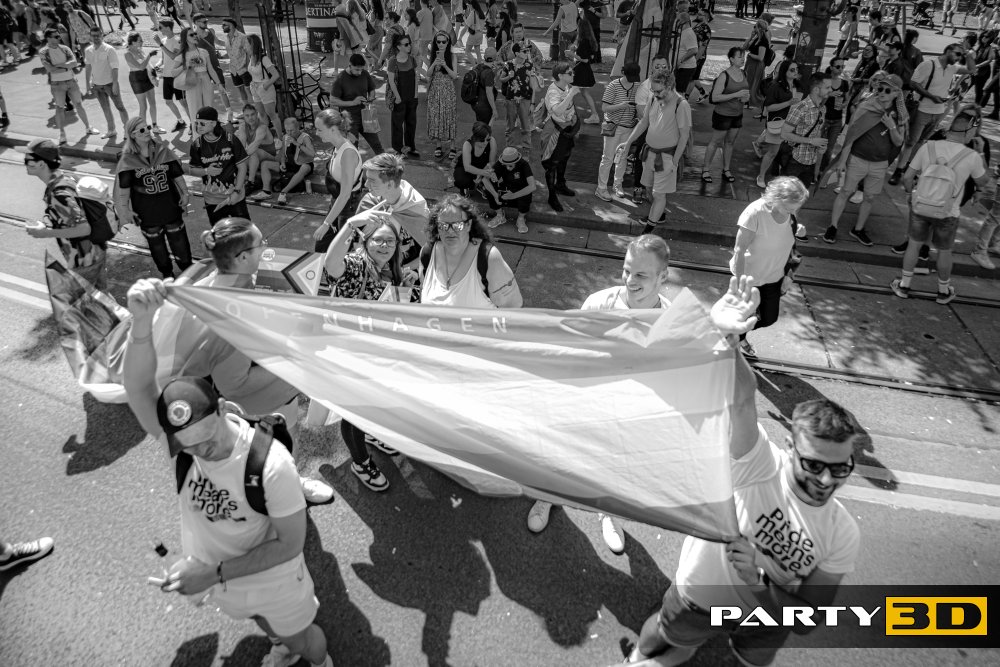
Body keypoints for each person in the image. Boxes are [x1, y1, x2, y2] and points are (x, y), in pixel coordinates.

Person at [625, 293, 865, 663]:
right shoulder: (760, 464)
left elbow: (808, 619)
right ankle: (637, 658)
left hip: (767, 620)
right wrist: (729, 340)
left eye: (840, 468)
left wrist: (758, 582)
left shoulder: (843, 532)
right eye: (813, 465)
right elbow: (741, 400)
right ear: (791, 446)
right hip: (701, 599)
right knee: (663, 636)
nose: (826, 480)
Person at [122, 308, 334, 667]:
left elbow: (290, 545)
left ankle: (318, 660)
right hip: (225, 582)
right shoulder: (182, 448)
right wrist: (141, 323)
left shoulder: (271, 464)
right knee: (264, 623)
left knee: (304, 639)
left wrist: (211, 573)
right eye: (188, 445)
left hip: (272, 583)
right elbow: (138, 388)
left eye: (207, 438)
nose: (201, 451)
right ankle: (282, 645)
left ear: (221, 409)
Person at [527, 234, 672, 552]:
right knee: (564, 452)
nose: (630, 281)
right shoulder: (598, 303)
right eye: (627, 270)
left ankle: (609, 513)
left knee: (615, 464)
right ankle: (549, 496)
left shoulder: (672, 320)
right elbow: (572, 349)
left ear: (663, 276)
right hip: (589, 399)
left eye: (641, 274)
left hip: (631, 411)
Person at [892, 106, 990, 304]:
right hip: (948, 212)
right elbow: (983, 181)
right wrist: (980, 153)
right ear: (970, 131)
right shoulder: (971, 156)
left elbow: (908, 178)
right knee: (945, 252)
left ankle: (904, 285)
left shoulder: (928, 147)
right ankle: (943, 291)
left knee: (913, 246)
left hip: (921, 207)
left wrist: (911, 195)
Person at [825, 74, 907, 246]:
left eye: (887, 90)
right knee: (846, 192)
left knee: (869, 197)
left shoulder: (899, 114)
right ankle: (832, 226)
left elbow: (899, 142)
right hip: (858, 159)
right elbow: (851, 135)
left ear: (896, 93)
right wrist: (842, 162)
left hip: (880, 163)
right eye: (880, 88)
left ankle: (858, 229)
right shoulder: (866, 106)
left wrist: (891, 126)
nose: (882, 92)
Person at [730, 176, 808, 357]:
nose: (793, 212)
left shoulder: (790, 215)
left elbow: (787, 245)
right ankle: (736, 339)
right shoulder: (755, 213)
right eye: (789, 208)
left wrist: (789, 275)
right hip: (749, 277)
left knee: (768, 318)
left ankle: (732, 334)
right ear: (776, 198)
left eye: (796, 209)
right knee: (744, 315)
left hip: (774, 276)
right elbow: (739, 250)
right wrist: (741, 284)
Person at [22, 138, 107, 289]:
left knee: (82, 300)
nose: (25, 163)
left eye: (28, 160)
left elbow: (84, 228)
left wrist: (45, 233)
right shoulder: (66, 178)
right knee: (101, 296)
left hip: (84, 258)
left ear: (41, 164)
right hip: (95, 250)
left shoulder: (59, 194)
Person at [115, 116, 192, 279]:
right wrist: (125, 210)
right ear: (133, 135)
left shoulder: (163, 150)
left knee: (180, 243)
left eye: (148, 128)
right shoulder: (127, 159)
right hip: (147, 213)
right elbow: (124, 189)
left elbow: (177, 176)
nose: (147, 132)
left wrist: (185, 193)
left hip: (170, 206)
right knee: (157, 246)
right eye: (142, 130)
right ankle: (167, 273)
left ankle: (187, 270)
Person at [889, 43, 973, 185]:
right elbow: (913, 83)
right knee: (910, 142)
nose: (959, 58)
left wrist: (968, 55)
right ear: (948, 51)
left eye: (961, 55)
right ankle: (898, 171)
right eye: (957, 54)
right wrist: (931, 96)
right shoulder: (928, 65)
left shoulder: (952, 68)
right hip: (922, 110)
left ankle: (909, 168)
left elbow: (972, 70)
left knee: (921, 142)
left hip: (938, 112)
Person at [419, 194, 522, 308]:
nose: (450, 231)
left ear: (468, 225)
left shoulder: (489, 258)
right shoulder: (427, 253)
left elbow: (513, 308)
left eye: (457, 225)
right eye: (443, 226)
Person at [619, 70, 691, 235]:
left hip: (667, 157)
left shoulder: (682, 105)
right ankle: (659, 215)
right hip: (649, 153)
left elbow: (684, 136)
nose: (655, 94)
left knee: (658, 194)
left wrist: (675, 162)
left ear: (669, 86)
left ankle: (647, 232)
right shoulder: (653, 98)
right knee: (649, 191)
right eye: (653, 90)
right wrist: (628, 142)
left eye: (658, 91)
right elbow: (644, 122)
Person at [354, 151, 430, 250]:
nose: (366, 184)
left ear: (390, 184)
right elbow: (357, 241)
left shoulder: (417, 208)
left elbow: (427, 248)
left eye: (372, 181)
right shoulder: (369, 202)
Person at [188, 106, 249, 223]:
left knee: (244, 229)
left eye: (202, 123)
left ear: (213, 123)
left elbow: (242, 167)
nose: (198, 126)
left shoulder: (230, 139)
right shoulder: (196, 145)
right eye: (196, 123)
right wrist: (206, 171)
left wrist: (237, 192)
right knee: (220, 232)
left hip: (235, 197)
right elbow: (192, 170)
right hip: (212, 200)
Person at [313, 109, 363, 252]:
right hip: (338, 202)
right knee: (322, 247)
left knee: (341, 252)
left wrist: (326, 224)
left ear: (333, 129)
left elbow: (345, 194)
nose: (316, 133)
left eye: (320, 130)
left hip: (348, 206)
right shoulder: (337, 147)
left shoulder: (347, 154)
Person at [40, 28, 97, 145]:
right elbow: (49, 69)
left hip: (71, 81)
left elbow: (74, 63)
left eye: (58, 36)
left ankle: (88, 127)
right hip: (57, 84)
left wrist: (58, 66)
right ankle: (62, 134)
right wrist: (66, 66)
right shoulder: (43, 52)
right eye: (56, 36)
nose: (59, 38)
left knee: (79, 104)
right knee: (60, 108)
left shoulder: (65, 48)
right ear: (48, 38)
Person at [703, 46, 749, 184]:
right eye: (740, 56)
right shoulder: (724, 75)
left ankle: (726, 169)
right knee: (716, 142)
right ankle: (706, 169)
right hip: (723, 115)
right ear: (731, 59)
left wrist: (745, 98)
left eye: (744, 56)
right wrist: (736, 94)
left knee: (730, 142)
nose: (743, 59)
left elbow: (744, 94)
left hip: (737, 114)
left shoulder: (744, 73)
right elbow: (715, 97)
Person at [595, 62, 639, 201]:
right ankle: (601, 188)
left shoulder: (637, 86)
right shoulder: (613, 85)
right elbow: (604, 108)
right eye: (630, 76)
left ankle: (617, 184)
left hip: (629, 127)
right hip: (614, 127)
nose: (632, 79)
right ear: (624, 72)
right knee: (608, 157)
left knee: (623, 157)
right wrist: (621, 106)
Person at [779, 72, 831, 188]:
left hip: (810, 162)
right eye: (827, 87)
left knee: (802, 195)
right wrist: (811, 141)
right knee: (785, 195)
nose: (830, 90)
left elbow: (816, 131)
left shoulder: (822, 109)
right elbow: (784, 134)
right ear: (816, 89)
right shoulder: (800, 108)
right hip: (794, 160)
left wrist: (820, 146)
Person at [540, 61, 580, 213]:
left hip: (566, 129)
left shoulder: (566, 86)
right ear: (560, 76)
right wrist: (571, 94)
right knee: (552, 164)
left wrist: (574, 118)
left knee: (565, 157)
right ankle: (552, 196)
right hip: (554, 133)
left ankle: (560, 185)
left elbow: (568, 107)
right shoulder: (553, 92)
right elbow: (557, 111)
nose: (573, 74)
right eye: (570, 73)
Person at [754, 60, 800, 188]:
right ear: (784, 71)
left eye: (797, 69)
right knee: (772, 152)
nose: (796, 72)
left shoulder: (796, 85)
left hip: (792, 123)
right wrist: (788, 103)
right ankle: (761, 176)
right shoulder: (776, 86)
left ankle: (781, 175)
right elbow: (769, 107)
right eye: (792, 70)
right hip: (778, 123)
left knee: (787, 151)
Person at [330, 53, 385, 156]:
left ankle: (386, 164)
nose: (359, 72)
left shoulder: (365, 73)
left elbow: (371, 89)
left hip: (366, 116)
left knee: (377, 145)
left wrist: (371, 98)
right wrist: (353, 102)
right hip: (349, 119)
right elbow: (333, 100)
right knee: (352, 148)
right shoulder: (340, 78)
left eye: (361, 69)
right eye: (356, 70)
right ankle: (354, 166)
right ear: (350, 65)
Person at [256, 117, 316, 205]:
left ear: (298, 128)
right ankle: (266, 191)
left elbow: (312, 154)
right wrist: (283, 163)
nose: (289, 133)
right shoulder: (285, 137)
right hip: (290, 164)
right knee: (265, 164)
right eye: (287, 130)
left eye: (292, 130)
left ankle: (283, 192)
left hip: (303, 164)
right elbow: (283, 153)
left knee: (304, 168)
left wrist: (297, 144)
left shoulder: (305, 137)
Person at [84, 27, 129, 141]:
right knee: (105, 108)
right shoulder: (88, 50)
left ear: (102, 35)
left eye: (98, 35)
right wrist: (88, 84)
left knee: (120, 107)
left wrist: (115, 84)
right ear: (90, 36)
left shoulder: (109, 49)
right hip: (97, 85)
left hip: (110, 84)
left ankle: (127, 130)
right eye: (93, 35)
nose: (96, 38)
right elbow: (88, 67)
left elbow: (115, 68)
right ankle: (111, 130)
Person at [483, 146, 535, 232]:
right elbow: (485, 179)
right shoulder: (500, 163)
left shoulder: (524, 164)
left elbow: (532, 186)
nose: (507, 168)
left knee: (527, 192)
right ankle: (500, 215)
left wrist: (513, 195)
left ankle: (521, 218)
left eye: (510, 166)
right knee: (488, 188)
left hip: (518, 192)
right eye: (505, 165)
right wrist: (495, 195)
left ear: (516, 162)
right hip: (507, 190)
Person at [191, 13, 232, 124]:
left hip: (215, 65)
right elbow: (192, 54)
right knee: (205, 94)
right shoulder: (192, 35)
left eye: (206, 21)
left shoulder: (211, 31)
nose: (206, 23)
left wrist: (230, 44)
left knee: (222, 89)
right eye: (204, 22)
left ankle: (230, 114)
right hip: (202, 69)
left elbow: (218, 42)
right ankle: (207, 117)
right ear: (196, 23)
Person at [499, 42, 538, 154]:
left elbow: (533, 86)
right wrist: (508, 76)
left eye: (528, 50)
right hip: (511, 100)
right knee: (510, 127)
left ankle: (526, 150)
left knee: (526, 127)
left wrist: (532, 103)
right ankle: (509, 150)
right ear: (516, 53)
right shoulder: (508, 65)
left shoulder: (529, 65)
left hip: (525, 100)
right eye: (524, 51)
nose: (527, 53)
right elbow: (501, 79)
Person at [425, 31, 459, 161]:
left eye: (443, 42)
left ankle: (452, 146)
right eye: (438, 41)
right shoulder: (433, 55)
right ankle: (438, 145)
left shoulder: (452, 56)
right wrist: (434, 63)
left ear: (448, 42)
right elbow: (428, 74)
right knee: (436, 116)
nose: (441, 44)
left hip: (448, 89)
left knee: (450, 116)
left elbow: (454, 76)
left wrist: (445, 64)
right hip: (435, 90)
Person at [152, 19, 190, 134]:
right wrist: (157, 65)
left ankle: (193, 124)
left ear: (168, 28)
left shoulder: (177, 41)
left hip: (176, 76)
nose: (159, 30)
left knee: (183, 102)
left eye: (161, 27)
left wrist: (160, 44)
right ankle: (181, 121)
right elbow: (164, 58)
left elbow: (174, 56)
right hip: (166, 76)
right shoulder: (164, 40)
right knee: (168, 101)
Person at [385, 32, 419, 157]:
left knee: (411, 123)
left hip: (411, 96)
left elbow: (416, 77)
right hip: (398, 98)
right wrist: (398, 97)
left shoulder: (412, 59)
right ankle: (398, 149)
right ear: (398, 47)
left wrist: (416, 94)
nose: (409, 46)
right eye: (406, 44)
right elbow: (391, 81)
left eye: (409, 44)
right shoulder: (393, 61)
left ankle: (410, 147)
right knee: (397, 124)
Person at [178, 27, 220, 128]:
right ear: (185, 38)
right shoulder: (182, 54)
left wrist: (219, 84)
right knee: (195, 110)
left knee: (208, 110)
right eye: (191, 35)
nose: (195, 36)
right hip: (192, 83)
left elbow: (211, 69)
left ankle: (210, 134)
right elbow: (177, 72)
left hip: (206, 80)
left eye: (195, 34)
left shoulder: (204, 52)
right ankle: (197, 135)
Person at [123, 32, 162, 134]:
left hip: (146, 76)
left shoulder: (140, 50)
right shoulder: (128, 54)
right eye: (140, 41)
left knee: (152, 103)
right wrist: (149, 55)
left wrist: (154, 74)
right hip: (136, 79)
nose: (142, 42)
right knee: (143, 106)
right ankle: (143, 129)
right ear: (133, 42)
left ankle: (155, 126)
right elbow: (141, 66)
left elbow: (148, 66)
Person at [247, 33, 281, 138]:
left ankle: (280, 138)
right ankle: (266, 137)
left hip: (265, 89)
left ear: (252, 45)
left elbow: (276, 75)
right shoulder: (251, 57)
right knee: (261, 114)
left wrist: (266, 85)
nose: (244, 46)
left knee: (272, 115)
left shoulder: (264, 58)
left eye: (246, 44)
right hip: (255, 89)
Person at [238, 104, 277, 192]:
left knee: (253, 152)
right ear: (244, 117)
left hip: (270, 157)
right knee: (237, 156)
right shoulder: (242, 127)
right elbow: (241, 145)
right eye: (247, 116)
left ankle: (251, 182)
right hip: (255, 158)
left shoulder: (262, 127)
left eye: (252, 114)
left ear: (256, 114)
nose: (250, 118)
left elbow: (256, 144)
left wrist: (240, 158)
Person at [820, 57, 850, 171]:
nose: (841, 69)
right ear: (831, 67)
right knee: (818, 147)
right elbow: (819, 103)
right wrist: (829, 95)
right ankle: (814, 170)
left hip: (837, 120)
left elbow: (847, 99)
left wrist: (844, 105)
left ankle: (822, 172)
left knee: (829, 149)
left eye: (843, 66)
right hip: (824, 119)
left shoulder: (844, 83)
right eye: (838, 66)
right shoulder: (825, 82)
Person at [453, 120, 497, 196]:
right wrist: (482, 173)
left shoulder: (492, 141)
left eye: (488, 139)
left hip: (483, 166)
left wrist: (482, 174)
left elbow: (492, 162)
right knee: (462, 180)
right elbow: (467, 167)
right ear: (476, 138)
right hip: (467, 169)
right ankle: (467, 187)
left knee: (496, 180)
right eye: (482, 140)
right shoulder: (468, 144)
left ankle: (480, 184)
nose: (485, 142)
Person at [743, 13, 773, 111]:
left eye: (755, 27)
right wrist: (750, 37)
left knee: (753, 84)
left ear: (759, 28)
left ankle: (752, 102)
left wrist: (750, 55)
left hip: (756, 65)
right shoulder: (756, 38)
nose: (753, 28)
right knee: (749, 82)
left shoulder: (763, 41)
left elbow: (760, 57)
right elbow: (744, 47)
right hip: (751, 64)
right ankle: (748, 101)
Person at [221, 17, 250, 106]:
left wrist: (248, 67)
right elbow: (231, 53)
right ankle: (246, 107)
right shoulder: (226, 38)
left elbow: (249, 52)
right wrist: (222, 56)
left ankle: (257, 109)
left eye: (224, 25)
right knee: (241, 90)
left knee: (250, 90)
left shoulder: (242, 37)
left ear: (231, 25)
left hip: (244, 69)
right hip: (233, 70)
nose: (222, 27)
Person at [468, 45, 498, 124]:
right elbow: (489, 92)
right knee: (484, 127)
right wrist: (494, 109)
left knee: (480, 123)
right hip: (484, 104)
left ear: (484, 56)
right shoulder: (489, 73)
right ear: (495, 58)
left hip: (476, 101)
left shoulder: (478, 66)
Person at [674, 11, 699, 100]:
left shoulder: (689, 33)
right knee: (677, 90)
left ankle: (681, 107)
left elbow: (694, 50)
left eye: (677, 20)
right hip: (682, 67)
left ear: (682, 21)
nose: (676, 23)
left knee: (680, 92)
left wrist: (681, 60)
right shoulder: (684, 32)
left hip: (686, 67)